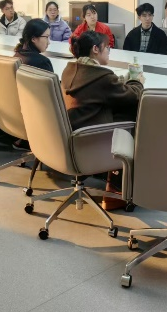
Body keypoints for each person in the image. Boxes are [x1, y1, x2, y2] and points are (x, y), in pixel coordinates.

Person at [62, 30, 144, 210]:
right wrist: (137, 81)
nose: (109, 51)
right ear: (95, 49)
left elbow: (106, 89)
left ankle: (116, 185)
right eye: (107, 47)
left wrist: (121, 81)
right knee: (134, 115)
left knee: (122, 112)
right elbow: (132, 96)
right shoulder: (101, 77)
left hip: (73, 134)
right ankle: (116, 189)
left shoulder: (71, 69)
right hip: (91, 139)